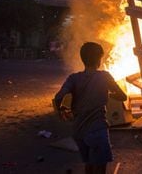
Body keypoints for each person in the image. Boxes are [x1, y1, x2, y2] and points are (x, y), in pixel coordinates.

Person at [54, 42, 127, 174]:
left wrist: (61, 111)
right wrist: (108, 93)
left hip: (79, 131)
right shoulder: (104, 76)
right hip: (97, 130)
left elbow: (58, 97)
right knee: (99, 169)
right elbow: (122, 96)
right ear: (99, 59)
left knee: (88, 164)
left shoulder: (73, 78)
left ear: (83, 59)